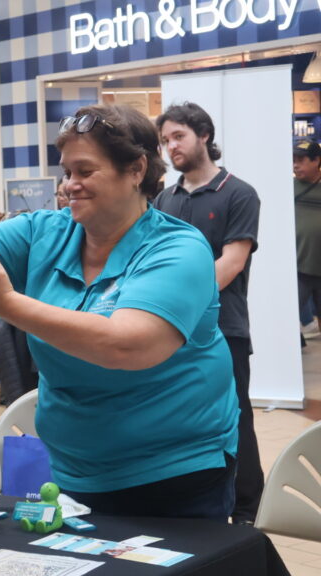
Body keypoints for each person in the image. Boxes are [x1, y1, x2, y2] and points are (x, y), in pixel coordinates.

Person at [0, 104, 239, 522]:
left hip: (173, 480)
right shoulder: (45, 231)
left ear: (136, 169)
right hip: (72, 476)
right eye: (67, 172)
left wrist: (7, 304)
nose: (70, 185)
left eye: (85, 171)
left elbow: (127, 344)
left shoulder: (178, 249)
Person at [153, 102, 262, 525]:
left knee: (236, 417)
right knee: (179, 416)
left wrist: (175, 300)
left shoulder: (240, 193)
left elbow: (232, 262)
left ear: (204, 136)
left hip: (224, 328)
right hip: (173, 330)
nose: (170, 146)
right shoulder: (164, 198)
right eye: (164, 140)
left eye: (177, 136)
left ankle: (248, 508)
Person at [293, 139, 321, 340]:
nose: (295, 165)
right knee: (288, 314)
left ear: (316, 161)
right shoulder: (288, 189)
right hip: (298, 268)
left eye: (301, 160)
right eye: (293, 160)